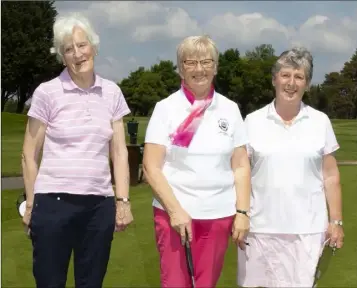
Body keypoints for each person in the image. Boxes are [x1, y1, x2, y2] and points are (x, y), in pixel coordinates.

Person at [21, 13, 133, 288]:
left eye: (82, 45)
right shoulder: (47, 92)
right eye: (68, 49)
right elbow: (28, 153)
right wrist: (32, 204)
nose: (77, 54)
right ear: (62, 57)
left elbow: (119, 153)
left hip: (98, 206)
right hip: (52, 203)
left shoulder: (112, 93)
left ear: (93, 47)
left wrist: (123, 201)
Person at [143, 35, 251, 288]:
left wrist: (243, 212)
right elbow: (151, 166)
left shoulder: (230, 109)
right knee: (175, 283)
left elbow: (241, 165)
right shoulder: (165, 108)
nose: (199, 69)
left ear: (216, 66)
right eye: (190, 62)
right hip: (174, 216)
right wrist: (176, 211)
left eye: (206, 62)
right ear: (180, 68)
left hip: (218, 214)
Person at [238, 47, 344, 287]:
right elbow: (241, 174)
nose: (291, 83)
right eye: (286, 75)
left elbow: (330, 175)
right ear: (274, 79)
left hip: (307, 231)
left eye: (299, 77)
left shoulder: (320, 121)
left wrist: (336, 222)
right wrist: (241, 215)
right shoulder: (252, 121)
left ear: (307, 84)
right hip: (260, 229)